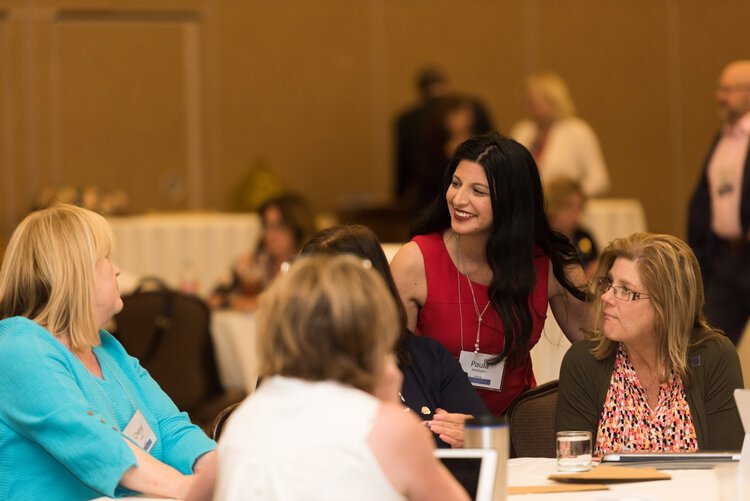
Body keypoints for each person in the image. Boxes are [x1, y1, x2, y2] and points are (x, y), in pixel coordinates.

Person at [193, 255, 469, 501]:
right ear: (371, 332)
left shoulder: (246, 418)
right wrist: (387, 406)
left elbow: (197, 494)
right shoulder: (391, 428)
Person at [0, 204, 215, 500]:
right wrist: (185, 489)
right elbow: (92, 441)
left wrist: (218, 469)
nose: (117, 269)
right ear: (74, 271)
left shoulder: (106, 347)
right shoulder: (18, 348)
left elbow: (169, 427)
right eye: (106, 257)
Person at [390, 132, 589, 416]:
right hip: (439, 426)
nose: (459, 199)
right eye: (455, 184)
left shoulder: (549, 263)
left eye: (478, 191)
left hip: (516, 429)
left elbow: (600, 349)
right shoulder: (415, 261)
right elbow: (395, 371)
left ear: (512, 201)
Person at [300, 224, 489, 448]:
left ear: (372, 289)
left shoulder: (428, 357)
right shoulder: (294, 370)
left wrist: (475, 437)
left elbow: (490, 437)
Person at [556, 233, 744, 455]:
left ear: (666, 305)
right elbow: (573, 465)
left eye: (625, 290)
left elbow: (728, 464)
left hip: (695, 491)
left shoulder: (714, 355)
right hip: (608, 491)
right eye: (609, 283)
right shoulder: (584, 361)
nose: (606, 297)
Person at [688, 60, 750, 346]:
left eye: (728, 89)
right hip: (726, 261)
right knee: (709, 343)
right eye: (719, 88)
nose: (720, 96)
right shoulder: (724, 138)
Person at [395, 66, 494, 211]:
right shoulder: (432, 147)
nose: (466, 118)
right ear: (446, 119)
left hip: (475, 205)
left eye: (467, 113)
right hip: (435, 205)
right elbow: (423, 180)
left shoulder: (482, 144)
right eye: (458, 114)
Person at [510, 72, 610, 197]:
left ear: (555, 101)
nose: (534, 104)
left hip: (566, 212)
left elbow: (599, 180)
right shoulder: (522, 131)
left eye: (540, 100)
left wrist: (569, 198)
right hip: (528, 207)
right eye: (530, 100)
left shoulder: (577, 131)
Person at [210, 193, 315, 310]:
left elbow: (303, 306)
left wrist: (255, 303)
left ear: (297, 229)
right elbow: (214, 298)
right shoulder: (254, 264)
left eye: (278, 226)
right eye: (266, 226)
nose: (269, 235)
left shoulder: (309, 267)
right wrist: (234, 300)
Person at [545, 177, 599, 281]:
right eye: (568, 207)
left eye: (579, 207)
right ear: (553, 205)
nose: (575, 215)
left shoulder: (584, 236)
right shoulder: (543, 239)